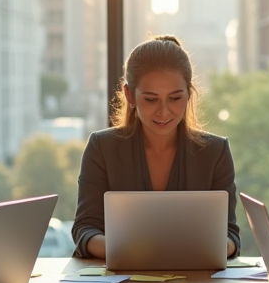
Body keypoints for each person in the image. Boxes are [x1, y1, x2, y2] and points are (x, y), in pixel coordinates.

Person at [72, 35, 240, 259]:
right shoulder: (101, 148)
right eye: (151, 99)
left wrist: (212, 248)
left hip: (195, 276)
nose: (163, 111)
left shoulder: (215, 152)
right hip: (121, 276)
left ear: (189, 94)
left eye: (175, 98)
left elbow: (230, 235)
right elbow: (84, 229)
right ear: (130, 95)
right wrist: (133, 253)